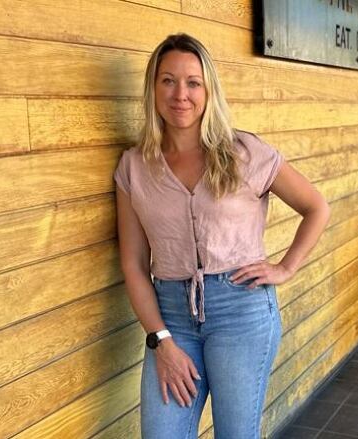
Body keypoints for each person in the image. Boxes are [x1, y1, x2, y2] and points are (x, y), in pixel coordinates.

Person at [113, 33, 330, 438]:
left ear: (208, 90)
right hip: (170, 317)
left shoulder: (245, 153)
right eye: (168, 81)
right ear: (153, 88)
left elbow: (316, 207)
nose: (181, 94)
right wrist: (161, 339)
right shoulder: (134, 168)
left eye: (193, 82)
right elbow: (134, 265)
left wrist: (286, 267)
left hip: (241, 312)